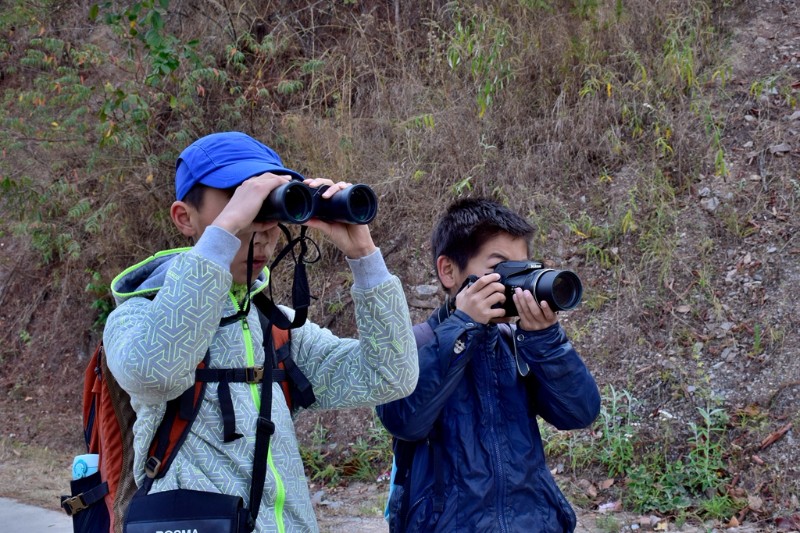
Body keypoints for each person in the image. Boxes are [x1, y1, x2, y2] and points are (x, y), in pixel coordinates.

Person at [103, 131, 419, 532]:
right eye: (238, 200)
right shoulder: (136, 319)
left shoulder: (275, 329)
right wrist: (229, 227)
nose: (264, 230)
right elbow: (155, 372)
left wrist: (364, 256)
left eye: (268, 208)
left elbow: (389, 376)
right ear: (185, 217)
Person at [377, 197, 600, 532]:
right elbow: (404, 420)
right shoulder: (415, 344)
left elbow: (580, 412)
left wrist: (547, 340)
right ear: (448, 271)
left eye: (525, 268)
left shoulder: (519, 344)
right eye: (501, 267)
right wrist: (464, 327)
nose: (517, 281)